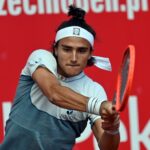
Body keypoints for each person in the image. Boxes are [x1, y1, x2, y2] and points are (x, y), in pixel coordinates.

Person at [0, 5, 120, 150]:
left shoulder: (94, 90)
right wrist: (98, 106)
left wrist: (112, 129)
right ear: (55, 49)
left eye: (81, 51)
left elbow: (108, 147)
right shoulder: (41, 57)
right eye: (67, 49)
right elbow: (54, 92)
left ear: (90, 53)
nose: (74, 58)